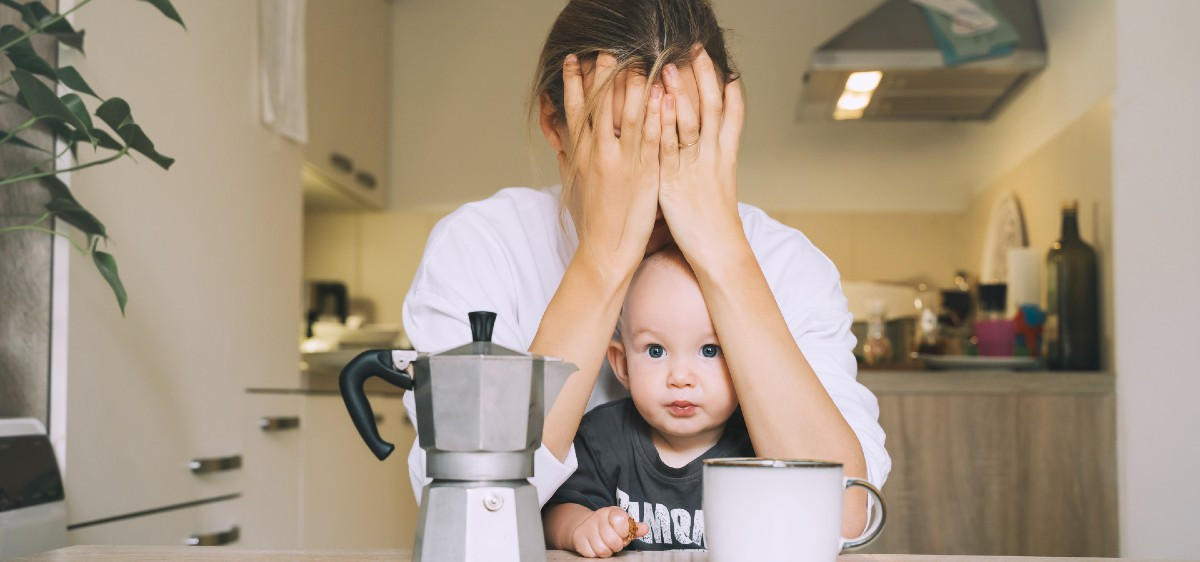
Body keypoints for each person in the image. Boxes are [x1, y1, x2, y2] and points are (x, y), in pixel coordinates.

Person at [401, 0, 890, 537]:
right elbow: (471, 512)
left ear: (726, 122)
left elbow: (842, 517)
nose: (654, 172)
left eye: (685, 136)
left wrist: (723, 254)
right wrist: (603, 260)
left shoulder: (785, 264)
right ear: (554, 124)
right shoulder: (481, 248)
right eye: (620, 137)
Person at [542, 245, 754, 557]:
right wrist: (581, 525)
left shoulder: (757, 445)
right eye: (655, 350)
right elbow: (553, 512)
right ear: (622, 364)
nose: (680, 377)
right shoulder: (602, 437)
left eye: (710, 350)